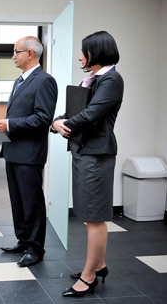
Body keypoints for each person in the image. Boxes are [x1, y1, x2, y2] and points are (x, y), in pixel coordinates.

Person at [52, 31, 123, 297]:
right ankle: (100, 264)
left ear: (98, 52)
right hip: (84, 150)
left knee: (94, 217)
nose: (80, 57)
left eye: (84, 52)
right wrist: (57, 121)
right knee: (88, 214)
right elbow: (75, 109)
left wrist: (63, 125)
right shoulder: (93, 79)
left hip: (96, 154)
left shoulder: (112, 79)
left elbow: (90, 114)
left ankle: (89, 275)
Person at [0, 36, 57, 267]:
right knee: (18, 201)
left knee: (32, 202)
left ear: (31, 54)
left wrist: (10, 125)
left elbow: (43, 118)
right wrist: (0, 128)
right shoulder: (20, 80)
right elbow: (19, 116)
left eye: (16, 52)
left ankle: (35, 249)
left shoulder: (45, 81)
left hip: (29, 154)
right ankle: (23, 240)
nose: (13, 56)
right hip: (13, 150)